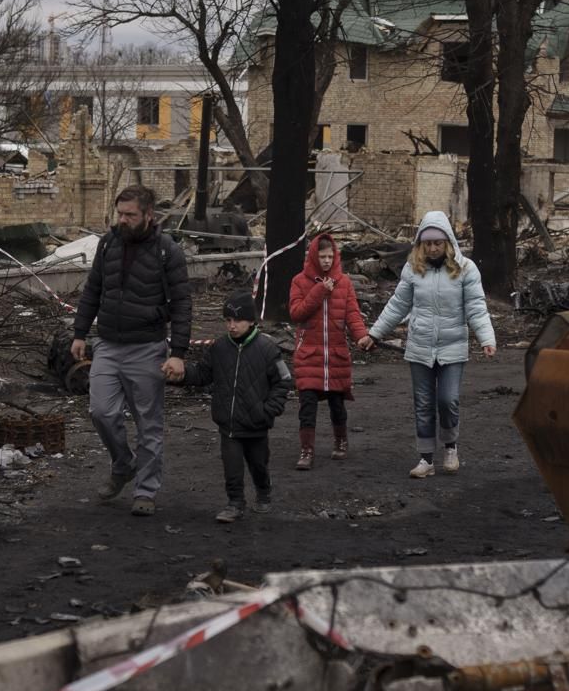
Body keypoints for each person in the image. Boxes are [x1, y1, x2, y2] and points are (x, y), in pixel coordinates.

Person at [70, 186, 193, 516]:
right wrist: (79, 332)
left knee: (148, 424)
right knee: (101, 412)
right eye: (120, 213)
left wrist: (177, 352)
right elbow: (93, 288)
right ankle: (123, 464)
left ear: (148, 215)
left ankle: (146, 490)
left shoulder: (168, 251)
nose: (123, 220)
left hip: (148, 348)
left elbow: (182, 304)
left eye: (130, 215)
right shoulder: (108, 244)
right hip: (108, 344)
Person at [365, 211, 497, 478]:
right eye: (428, 243)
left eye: (438, 242)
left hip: (452, 347)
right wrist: (374, 334)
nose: (433, 247)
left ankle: (450, 447)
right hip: (420, 347)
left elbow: (476, 307)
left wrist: (486, 338)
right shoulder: (413, 269)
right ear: (421, 244)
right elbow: (398, 305)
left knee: (448, 400)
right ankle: (426, 459)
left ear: (447, 242)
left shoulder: (466, 269)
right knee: (423, 403)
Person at [183, 291, 292, 522]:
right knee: (232, 468)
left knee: (258, 465)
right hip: (228, 425)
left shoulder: (267, 349)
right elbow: (203, 374)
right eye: (228, 320)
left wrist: (269, 410)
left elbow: (283, 381)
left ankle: (263, 492)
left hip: (256, 425)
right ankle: (235, 503)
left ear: (251, 321)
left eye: (237, 320)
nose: (232, 326)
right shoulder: (219, 348)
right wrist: (181, 373)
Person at [287, 233, 370, 469]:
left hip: (336, 355)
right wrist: (319, 291)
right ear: (313, 255)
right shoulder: (299, 281)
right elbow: (296, 313)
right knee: (307, 405)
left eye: (329, 256)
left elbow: (352, 314)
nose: (326, 261)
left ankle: (341, 441)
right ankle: (306, 451)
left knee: (337, 403)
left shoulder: (344, 282)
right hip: (309, 355)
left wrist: (361, 336)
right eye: (322, 256)